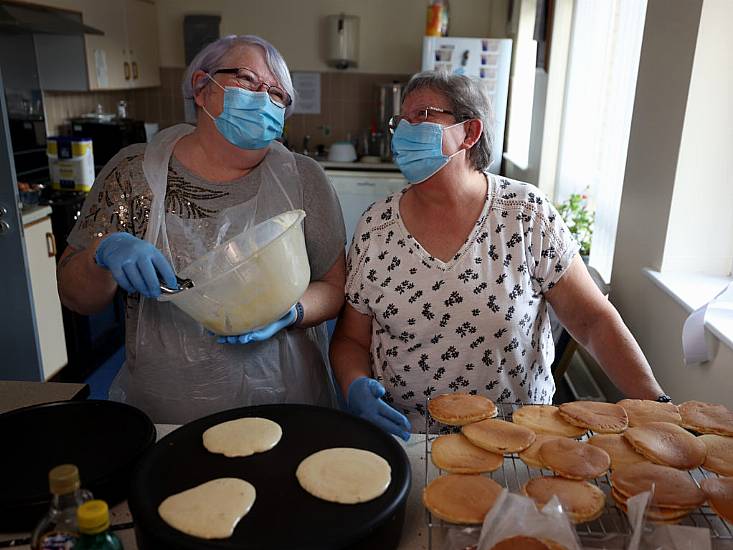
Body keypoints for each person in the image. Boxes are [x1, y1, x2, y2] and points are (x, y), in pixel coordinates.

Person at [330, 71, 667, 440]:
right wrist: (355, 386)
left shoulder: (525, 215)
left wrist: (657, 406)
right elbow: (351, 340)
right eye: (401, 121)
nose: (405, 131)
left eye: (423, 115)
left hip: (519, 442)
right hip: (409, 439)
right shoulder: (376, 229)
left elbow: (592, 321)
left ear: (470, 133)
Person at [57, 35, 346, 424]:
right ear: (201, 86)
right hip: (171, 409)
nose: (264, 98)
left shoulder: (304, 179)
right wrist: (104, 250)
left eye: (277, 94)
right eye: (247, 79)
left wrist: (290, 311)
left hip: (286, 403)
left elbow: (334, 286)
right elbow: (78, 298)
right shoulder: (134, 174)